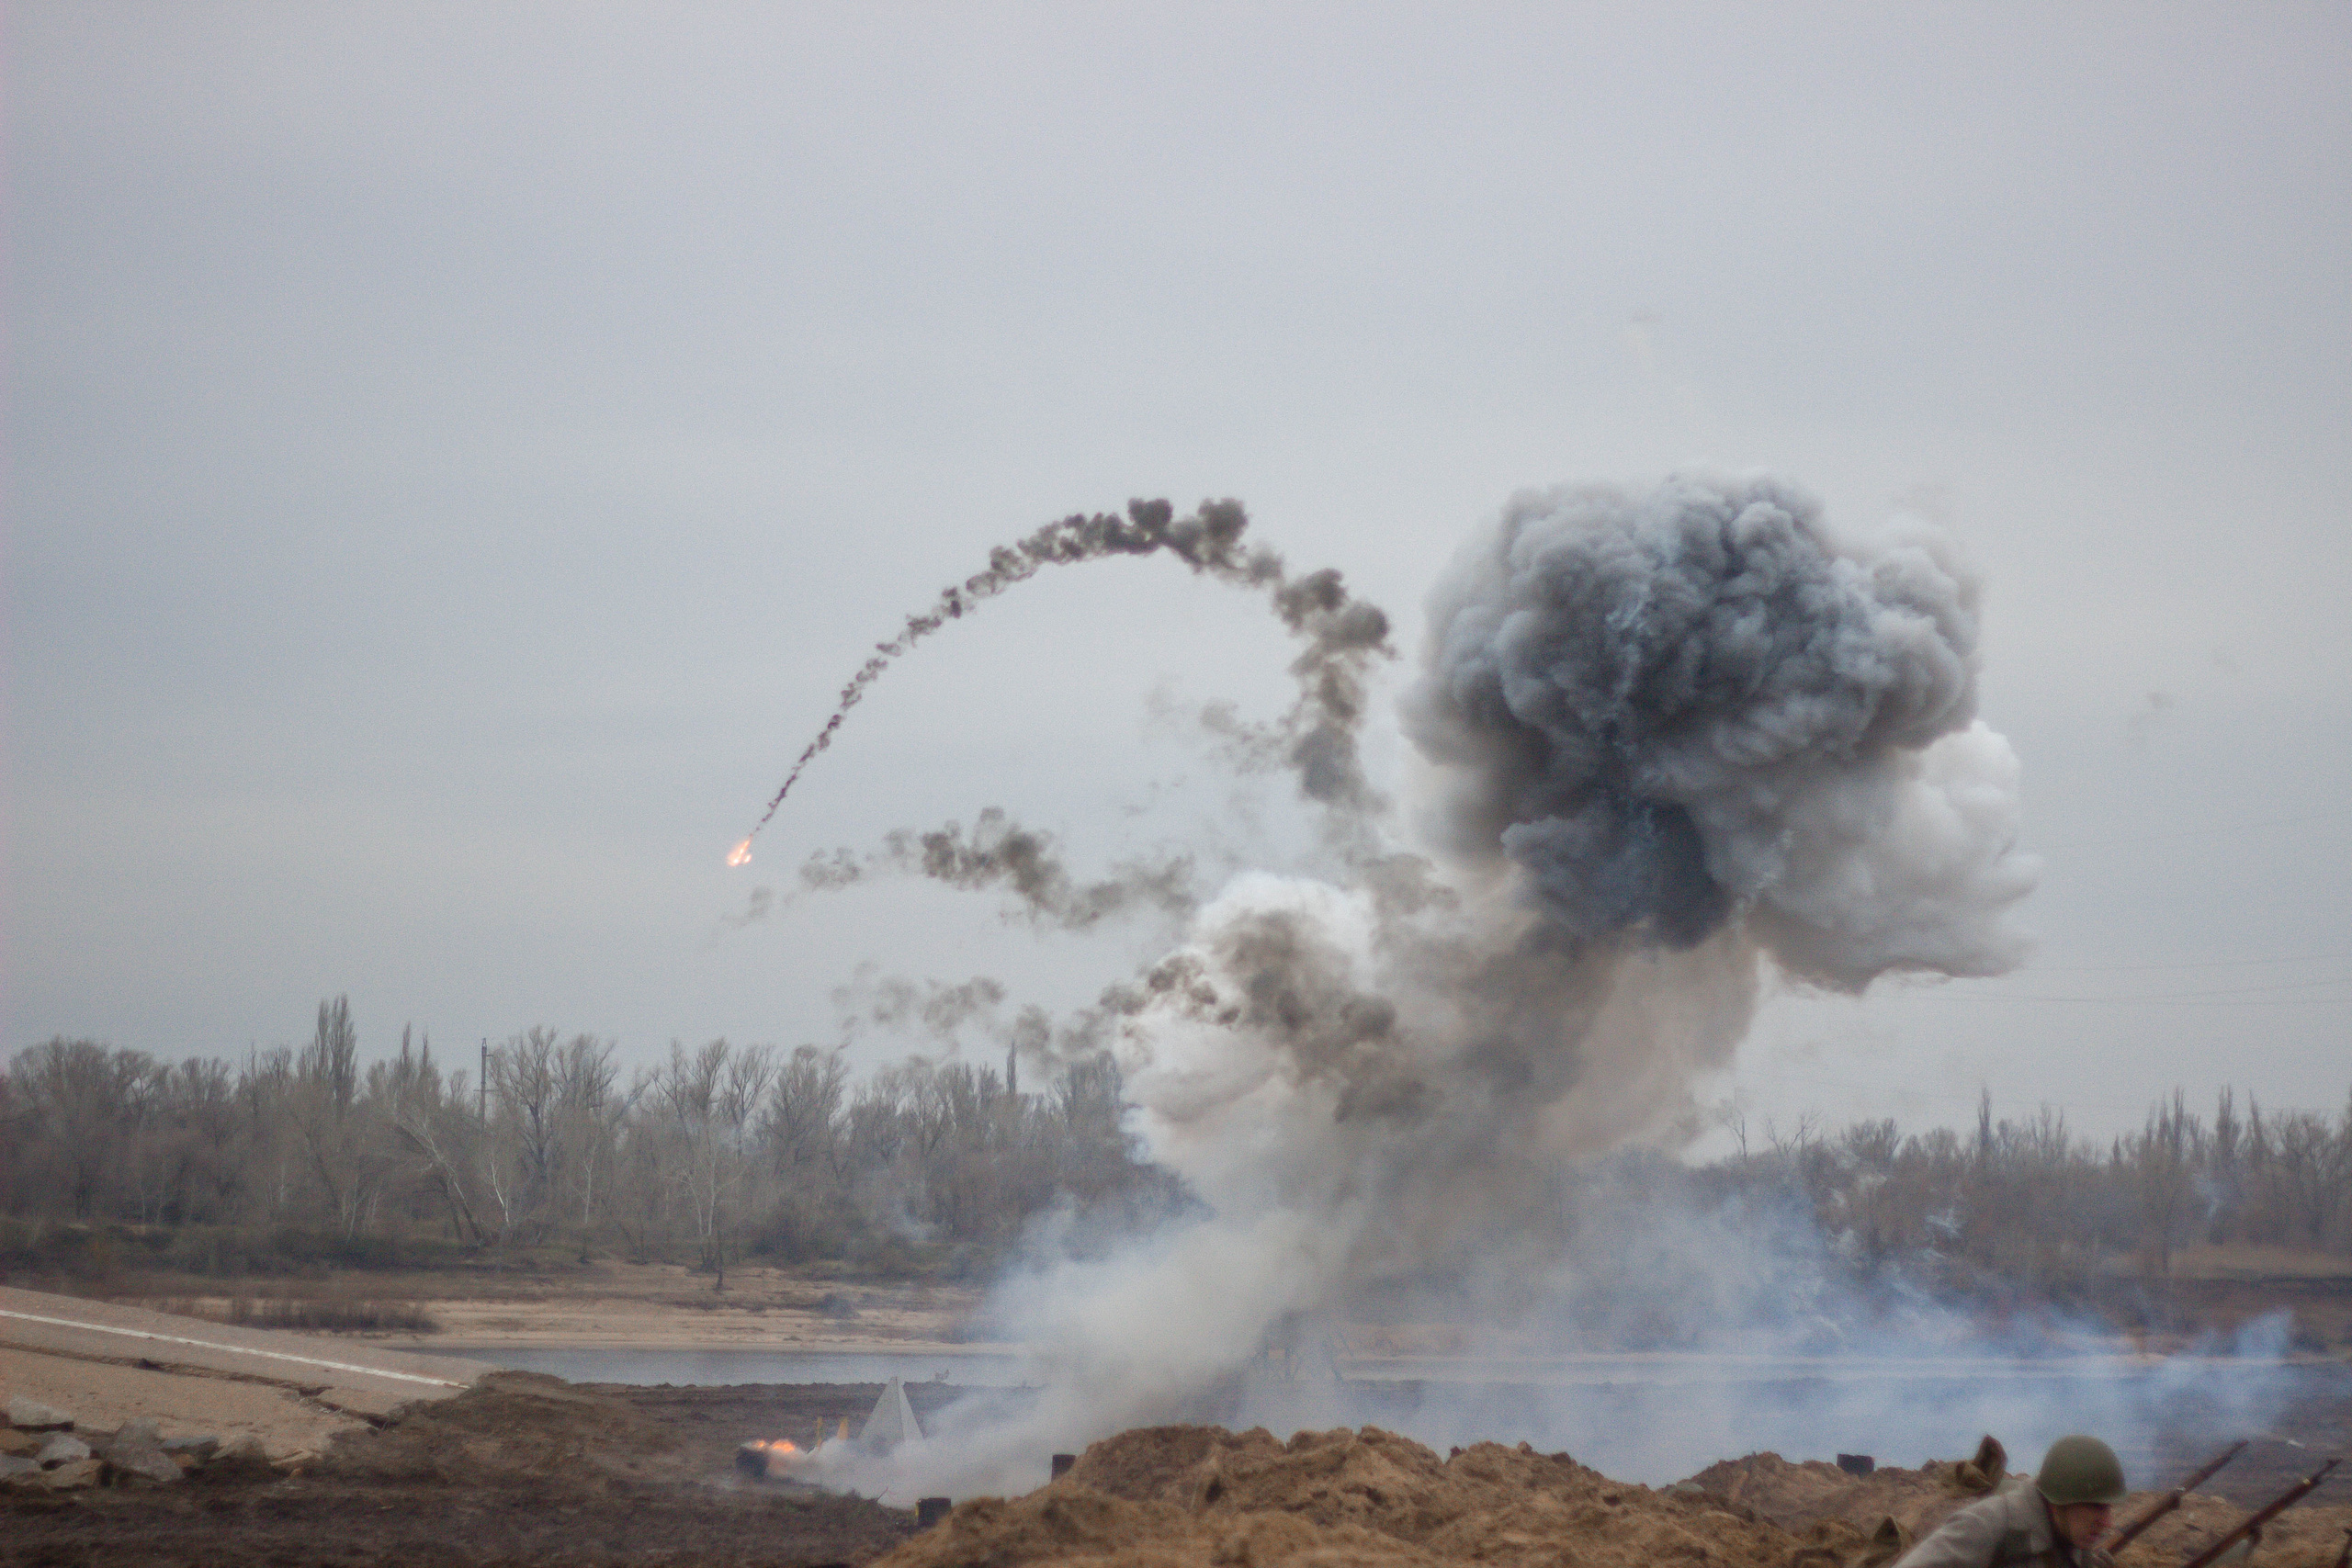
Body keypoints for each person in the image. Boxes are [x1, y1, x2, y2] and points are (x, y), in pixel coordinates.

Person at [1892, 1436, 2127, 1567]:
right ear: (2059, 1500)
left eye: (2107, 1508)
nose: (2106, 1522)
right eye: (2095, 1507)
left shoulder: (2074, 1545)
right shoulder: (1987, 1525)